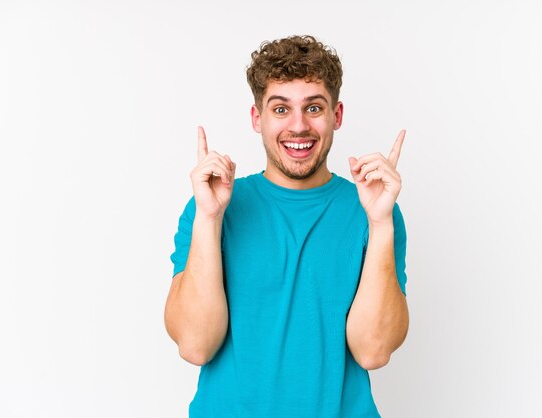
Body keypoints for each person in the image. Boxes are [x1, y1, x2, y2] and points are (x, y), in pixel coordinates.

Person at [165, 34, 409, 418]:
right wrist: (209, 219)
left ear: (337, 115)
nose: (298, 127)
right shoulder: (210, 208)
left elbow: (373, 350)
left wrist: (379, 224)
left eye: (314, 107)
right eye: (281, 109)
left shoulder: (375, 210)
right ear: (256, 118)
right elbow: (195, 345)